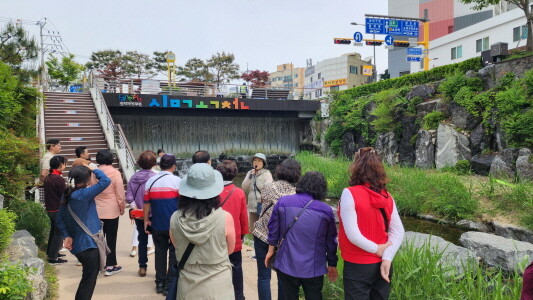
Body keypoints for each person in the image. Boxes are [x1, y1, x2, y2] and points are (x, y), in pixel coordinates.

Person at [338, 147, 405, 300]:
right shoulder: (388, 196)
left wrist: (377, 249)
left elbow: (353, 235)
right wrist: (387, 256)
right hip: (383, 264)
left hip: (358, 264)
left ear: (356, 168)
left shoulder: (350, 193)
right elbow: (398, 232)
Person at [266, 171, 338, 300]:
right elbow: (331, 241)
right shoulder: (325, 210)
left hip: (286, 263)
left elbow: (273, 229)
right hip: (314, 268)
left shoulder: (283, 201)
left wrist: (270, 251)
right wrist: (332, 263)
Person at [169, 163, 235, 300]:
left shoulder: (175, 218)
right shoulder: (225, 218)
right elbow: (230, 249)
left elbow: (176, 245)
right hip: (219, 286)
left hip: (187, 286)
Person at [56, 164, 111, 300]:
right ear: (87, 180)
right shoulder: (83, 194)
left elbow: (59, 219)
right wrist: (94, 168)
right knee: (88, 281)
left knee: (87, 279)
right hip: (88, 245)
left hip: (79, 246)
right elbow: (106, 181)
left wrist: (67, 235)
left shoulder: (67, 194)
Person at [252, 158, 301, 300]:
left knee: (263, 275)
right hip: (283, 239)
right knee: (283, 277)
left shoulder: (268, 187)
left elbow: (263, 202)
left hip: (263, 234)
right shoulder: (296, 194)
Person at [143, 154, 181, 295]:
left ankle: (159, 282)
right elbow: (182, 205)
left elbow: (146, 204)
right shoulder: (178, 181)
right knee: (173, 252)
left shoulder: (150, 182)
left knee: (159, 252)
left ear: (160, 166)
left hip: (157, 223)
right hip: (174, 225)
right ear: (173, 166)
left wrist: (146, 220)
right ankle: (169, 285)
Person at [216, 160, 249, 300]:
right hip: (234, 236)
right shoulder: (239, 192)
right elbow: (243, 217)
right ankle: (239, 295)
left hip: (216, 237)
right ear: (234, 174)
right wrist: (243, 234)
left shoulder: (213, 192)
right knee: (236, 267)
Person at [126, 150, 158, 277]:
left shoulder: (134, 177)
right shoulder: (156, 177)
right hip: (155, 214)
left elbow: (129, 196)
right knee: (158, 241)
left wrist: (135, 208)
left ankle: (142, 266)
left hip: (140, 214)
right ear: (154, 163)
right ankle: (159, 270)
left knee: (142, 240)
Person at [94, 149, 125, 276]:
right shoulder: (114, 172)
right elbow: (119, 192)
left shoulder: (94, 173)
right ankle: (111, 265)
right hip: (111, 209)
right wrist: (121, 206)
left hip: (96, 209)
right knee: (111, 238)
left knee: (97, 239)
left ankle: (97, 264)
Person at [44, 155, 68, 265]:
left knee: (54, 232)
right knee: (58, 234)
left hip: (50, 208)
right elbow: (64, 195)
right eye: (64, 163)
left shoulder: (49, 177)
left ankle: (51, 253)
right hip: (57, 209)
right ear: (60, 165)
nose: (65, 165)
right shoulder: (58, 179)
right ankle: (53, 258)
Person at [242, 153, 273, 232]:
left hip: (262, 206)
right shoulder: (250, 173)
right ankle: (254, 243)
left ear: (263, 163)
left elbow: (268, 190)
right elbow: (244, 187)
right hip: (252, 206)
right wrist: (250, 177)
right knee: (253, 229)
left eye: (259, 161)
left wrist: (257, 179)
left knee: (263, 228)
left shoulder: (267, 174)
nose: (256, 163)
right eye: (255, 160)